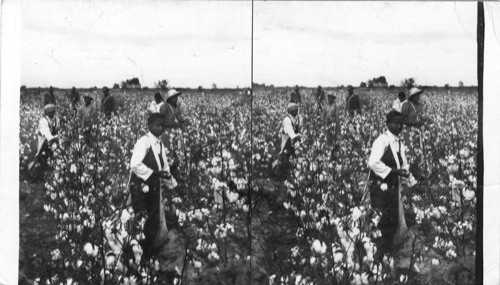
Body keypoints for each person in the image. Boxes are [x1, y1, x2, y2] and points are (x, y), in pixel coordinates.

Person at [366, 110, 417, 260]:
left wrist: (412, 182)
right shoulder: (382, 141)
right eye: (395, 123)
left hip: (393, 188)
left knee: (392, 218)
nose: (399, 126)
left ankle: (387, 249)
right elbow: (372, 162)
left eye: (401, 123)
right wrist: (394, 171)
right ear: (387, 124)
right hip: (380, 188)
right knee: (382, 218)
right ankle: (378, 252)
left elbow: (405, 167)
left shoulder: (399, 143)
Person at [129, 113, 177, 258]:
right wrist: (155, 174)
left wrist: (173, 186)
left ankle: (149, 251)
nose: (161, 128)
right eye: (157, 125)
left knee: (153, 219)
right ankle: (138, 253)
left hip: (153, 189)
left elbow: (165, 169)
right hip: (141, 189)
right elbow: (135, 164)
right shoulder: (144, 142)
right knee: (141, 219)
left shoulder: (160, 145)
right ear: (149, 125)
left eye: (163, 125)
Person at [159, 89, 190, 181]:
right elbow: (161, 121)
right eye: (174, 97)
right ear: (170, 98)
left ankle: (176, 175)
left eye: (177, 97)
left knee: (179, 153)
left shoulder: (177, 107)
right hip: (168, 134)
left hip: (177, 134)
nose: (176, 98)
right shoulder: (165, 107)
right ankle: (168, 176)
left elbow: (180, 119)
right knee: (169, 154)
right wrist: (173, 124)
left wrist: (184, 122)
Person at [28, 104, 60, 181]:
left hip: (51, 140)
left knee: (52, 156)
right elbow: (47, 134)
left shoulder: (57, 120)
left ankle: (49, 176)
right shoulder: (43, 121)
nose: (52, 113)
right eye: (50, 112)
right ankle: (33, 175)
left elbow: (57, 130)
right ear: (46, 113)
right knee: (38, 156)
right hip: (41, 140)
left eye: (53, 111)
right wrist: (56, 138)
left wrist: (56, 138)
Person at [273, 103, 302, 179]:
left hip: (294, 140)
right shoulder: (287, 119)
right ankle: (280, 174)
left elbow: (299, 127)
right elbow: (290, 131)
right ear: (290, 111)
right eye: (294, 111)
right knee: (284, 156)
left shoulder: (297, 118)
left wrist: (300, 135)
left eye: (296, 110)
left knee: (295, 155)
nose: (296, 112)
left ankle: (293, 173)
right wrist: (296, 137)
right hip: (286, 140)